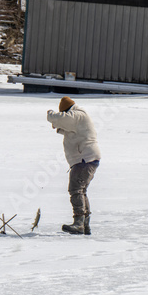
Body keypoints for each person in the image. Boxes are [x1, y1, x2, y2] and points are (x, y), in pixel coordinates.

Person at [47, 97, 101, 235]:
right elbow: (65, 128)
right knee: (81, 190)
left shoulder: (77, 115)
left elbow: (61, 119)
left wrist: (50, 114)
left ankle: (79, 223)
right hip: (87, 158)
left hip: (84, 159)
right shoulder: (79, 118)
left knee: (75, 189)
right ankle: (84, 224)